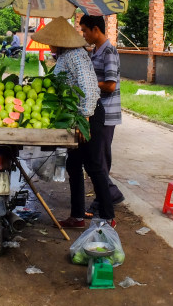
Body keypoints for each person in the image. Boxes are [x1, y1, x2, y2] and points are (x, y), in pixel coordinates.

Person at [30, 17, 114, 229]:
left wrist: (85, 118)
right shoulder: (66, 56)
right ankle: (77, 216)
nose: (49, 46)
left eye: (50, 42)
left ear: (59, 41)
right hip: (77, 117)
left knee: (94, 166)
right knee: (74, 165)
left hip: (89, 116)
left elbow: (88, 86)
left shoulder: (75, 55)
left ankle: (107, 216)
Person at [79, 15, 125, 218]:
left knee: (100, 159)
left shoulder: (109, 52)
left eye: (85, 31)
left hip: (106, 113)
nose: (84, 35)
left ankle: (104, 198)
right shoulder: (94, 51)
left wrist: (87, 84)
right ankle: (109, 193)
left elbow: (110, 84)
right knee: (95, 158)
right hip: (96, 112)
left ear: (95, 29)